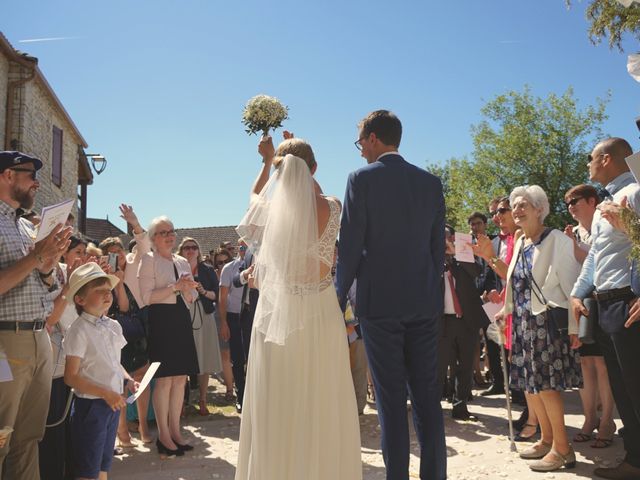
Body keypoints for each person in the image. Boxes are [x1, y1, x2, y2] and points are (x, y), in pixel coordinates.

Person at [235, 134, 362, 479]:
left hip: (278, 315)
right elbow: (310, 190)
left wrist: (267, 162)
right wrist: (297, 157)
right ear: (314, 169)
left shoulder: (267, 211)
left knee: (277, 400)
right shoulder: (332, 206)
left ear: (279, 175)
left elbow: (254, 196)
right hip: (320, 312)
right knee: (322, 398)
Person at [336, 110, 446, 480]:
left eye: (360, 143)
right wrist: (432, 296)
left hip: (380, 304)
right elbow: (436, 250)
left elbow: (350, 246)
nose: (360, 151)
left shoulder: (360, 180)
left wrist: (337, 298)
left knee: (390, 401)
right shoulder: (431, 183)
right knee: (428, 398)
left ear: (372, 138)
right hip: (424, 303)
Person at [497, 185, 582, 472]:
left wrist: (575, 326)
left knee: (546, 387)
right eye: (514, 205)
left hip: (545, 323)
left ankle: (563, 449)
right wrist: (505, 311)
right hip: (522, 323)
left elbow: (571, 285)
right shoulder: (522, 242)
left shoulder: (556, 239)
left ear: (539, 209)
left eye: (524, 205)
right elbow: (516, 285)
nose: (517, 209)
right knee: (531, 387)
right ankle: (547, 440)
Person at [570, 138, 640, 479]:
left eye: (591, 157)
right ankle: (635, 459)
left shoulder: (637, 192)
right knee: (624, 389)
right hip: (605, 304)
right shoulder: (603, 206)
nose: (588, 164)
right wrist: (578, 291)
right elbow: (597, 256)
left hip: (631, 300)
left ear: (607, 158)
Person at [0, 150, 72, 480]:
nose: (36, 182)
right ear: (7, 176)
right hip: (6, 342)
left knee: (29, 438)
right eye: (30, 174)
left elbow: (47, 285)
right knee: (1, 436)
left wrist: (48, 262)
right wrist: (36, 259)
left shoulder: (27, 228)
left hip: (38, 338)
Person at [63, 262, 138, 480]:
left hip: (111, 404)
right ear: (80, 299)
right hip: (91, 407)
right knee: (87, 468)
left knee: (103, 464)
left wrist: (128, 380)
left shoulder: (113, 325)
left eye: (108, 290)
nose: (107, 295)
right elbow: (71, 376)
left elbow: (114, 363)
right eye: (99, 291)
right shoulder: (78, 330)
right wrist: (106, 393)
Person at [138, 216, 199, 457]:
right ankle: (163, 434)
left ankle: (175, 431)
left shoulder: (182, 260)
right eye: (164, 232)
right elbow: (146, 298)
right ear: (153, 238)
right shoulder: (148, 260)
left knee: (180, 378)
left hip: (181, 318)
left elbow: (192, 296)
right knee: (164, 380)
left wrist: (188, 290)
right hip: (161, 321)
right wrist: (175, 287)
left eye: (171, 231)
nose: (169, 235)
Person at [564, 185, 617, 449]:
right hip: (579, 304)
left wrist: (576, 248)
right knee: (585, 364)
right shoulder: (570, 232)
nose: (571, 206)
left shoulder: (606, 222)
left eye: (575, 200)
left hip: (604, 301)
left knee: (604, 364)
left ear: (592, 201)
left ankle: (608, 421)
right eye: (567, 202)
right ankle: (589, 419)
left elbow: (599, 261)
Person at [38, 236, 88, 479]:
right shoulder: (48, 273)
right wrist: (69, 287)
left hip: (69, 359)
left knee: (68, 427)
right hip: (51, 363)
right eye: (77, 250)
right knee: (53, 427)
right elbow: (51, 318)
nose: (81, 256)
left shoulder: (67, 274)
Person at [438, 226, 490, 421]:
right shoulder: (432, 260)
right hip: (443, 322)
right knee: (440, 367)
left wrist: (457, 253)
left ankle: (461, 407)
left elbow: (476, 272)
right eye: (443, 238)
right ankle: (434, 408)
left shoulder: (465, 257)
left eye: (449, 237)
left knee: (465, 366)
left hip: (466, 321)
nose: (447, 241)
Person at [177, 237, 222, 415]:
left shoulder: (207, 270)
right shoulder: (176, 268)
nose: (190, 250)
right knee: (182, 360)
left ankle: (203, 400)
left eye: (193, 247)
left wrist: (203, 291)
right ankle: (181, 402)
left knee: (204, 358)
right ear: (180, 251)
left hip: (204, 316)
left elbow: (216, 296)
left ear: (198, 250)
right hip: (182, 317)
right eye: (186, 247)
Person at [218, 242, 248, 412]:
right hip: (234, 316)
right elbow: (222, 297)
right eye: (241, 247)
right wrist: (223, 322)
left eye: (247, 246)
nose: (244, 249)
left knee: (253, 356)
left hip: (252, 315)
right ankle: (241, 396)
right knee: (237, 359)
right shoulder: (229, 268)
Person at [212, 248, 234, 401]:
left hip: (238, 314)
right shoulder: (212, 276)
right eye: (220, 262)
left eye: (226, 261)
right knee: (225, 354)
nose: (223, 264)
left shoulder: (236, 270)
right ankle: (229, 388)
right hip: (220, 315)